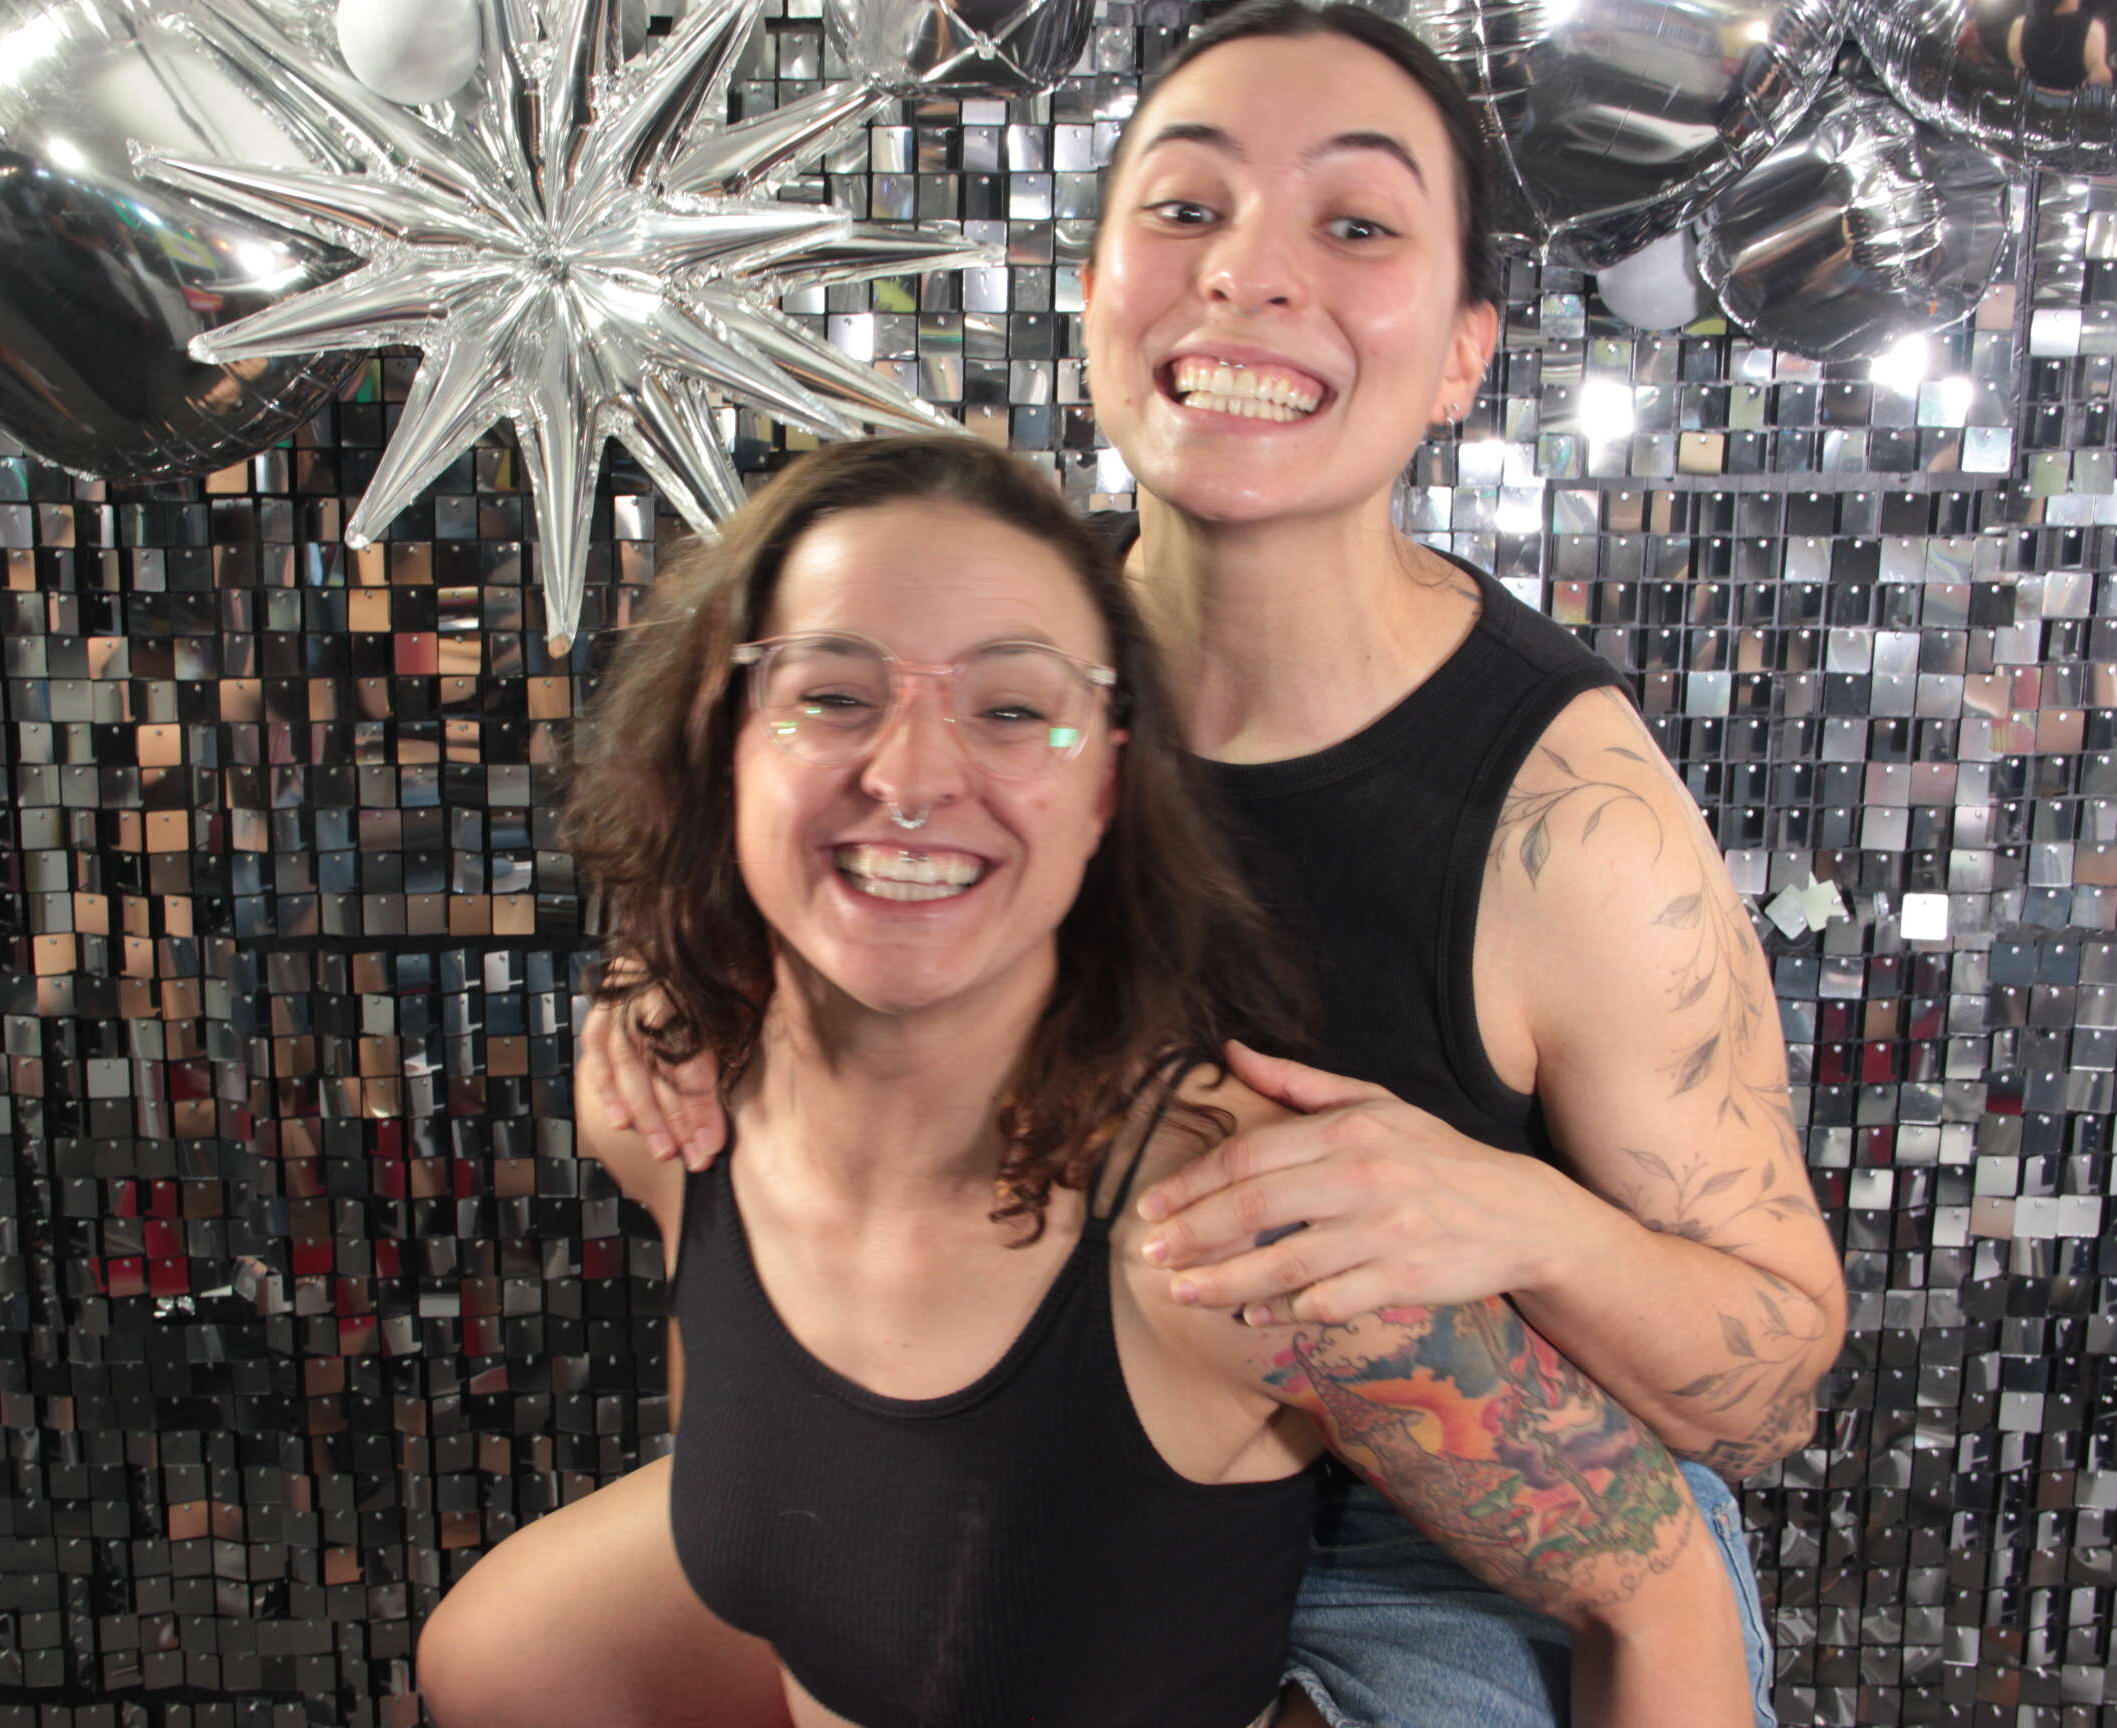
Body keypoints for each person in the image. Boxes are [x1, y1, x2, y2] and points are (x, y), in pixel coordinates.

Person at [578, 5, 1848, 1724]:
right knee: (514, 1662)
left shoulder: (1572, 821)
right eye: (1185, 209)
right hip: (1084, 1430)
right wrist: (692, 982)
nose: (1248, 273)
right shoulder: (997, 654)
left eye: (1356, 224)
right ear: (1096, 292)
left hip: (1451, 1530)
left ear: (1462, 355)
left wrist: (1512, 1217)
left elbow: (1768, 1396)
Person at [414, 433, 1752, 1727]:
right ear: (724, 740)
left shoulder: (1237, 1239)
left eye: (1011, 710)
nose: (911, 777)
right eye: (832, 694)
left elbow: (1663, 1598)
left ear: (1107, 786)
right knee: (499, 1658)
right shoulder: (666, 1105)